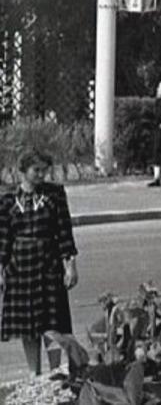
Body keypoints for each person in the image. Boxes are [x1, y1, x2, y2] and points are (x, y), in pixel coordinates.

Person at [0, 149, 78, 374]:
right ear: (22, 171)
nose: (41, 175)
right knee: (28, 325)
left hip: (49, 264)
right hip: (20, 267)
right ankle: (34, 373)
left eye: (45, 170)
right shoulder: (7, 200)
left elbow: (64, 230)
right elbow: (4, 237)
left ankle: (54, 372)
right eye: (36, 170)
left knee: (51, 323)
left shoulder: (55, 195)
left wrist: (70, 264)